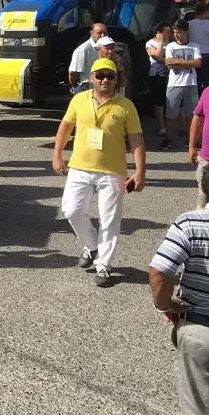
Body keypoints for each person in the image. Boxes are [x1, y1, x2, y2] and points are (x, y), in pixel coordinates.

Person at [53, 58, 146, 288]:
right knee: (71, 210)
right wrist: (57, 154)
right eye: (100, 75)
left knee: (109, 220)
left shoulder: (126, 106)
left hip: (112, 171)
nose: (105, 80)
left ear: (116, 79)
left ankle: (104, 265)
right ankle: (92, 245)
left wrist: (140, 171)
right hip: (80, 167)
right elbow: (65, 127)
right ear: (91, 77)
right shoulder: (78, 100)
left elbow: (136, 139)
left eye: (110, 76)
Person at [148, 159, 209, 413]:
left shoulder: (189, 223)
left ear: (202, 187)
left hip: (202, 329)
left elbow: (159, 272)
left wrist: (165, 304)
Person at [163, 19, 203, 151]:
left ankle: (190, 140)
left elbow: (198, 63)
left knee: (191, 114)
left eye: (179, 32)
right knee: (170, 114)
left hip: (191, 84)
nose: (176, 35)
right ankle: (168, 138)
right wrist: (188, 62)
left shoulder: (195, 46)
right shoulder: (170, 46)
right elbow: (168, 62)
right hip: (174, 84)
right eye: (175, 32)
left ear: (186, 31)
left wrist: (178, 61)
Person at [190, 64, 209, 210]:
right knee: (202, 196)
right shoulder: (207, 92)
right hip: (207, 157)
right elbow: (197, 119)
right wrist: (191, 146)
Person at [146, 22, 171, 137]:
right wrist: (160, 42)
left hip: (171, 73)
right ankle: (161, 125)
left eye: (170, 31)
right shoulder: (150, 43)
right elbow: (157, 56)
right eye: (166, 31)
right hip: (157, 73)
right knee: (159, 99)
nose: (169, 34)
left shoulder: (171, 43)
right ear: (158, 33)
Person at [188, 3, 209, 90]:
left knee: (195, 80)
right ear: (206, 12)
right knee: (207, 81)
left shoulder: (189, 24)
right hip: (208, 53)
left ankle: (196, 100)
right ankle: (206, 99)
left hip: (194, 54)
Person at [68, 23, 107, 92]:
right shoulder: (83, 49)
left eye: (105, 33)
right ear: (91, 33)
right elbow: (73, 73)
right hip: (87, 88)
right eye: (99, 33)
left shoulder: (110, 49)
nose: (103, 35)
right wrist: (75, 86)